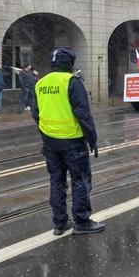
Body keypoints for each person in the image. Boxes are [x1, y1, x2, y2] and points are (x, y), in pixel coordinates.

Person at [32, 47, 105, 236]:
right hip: (73, 142)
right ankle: (81, 221)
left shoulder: (41, 83)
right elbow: (83, 114)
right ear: (69, 64)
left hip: (50, 143)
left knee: (57, 181)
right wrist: (92, 140)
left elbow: (36, 113)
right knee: (80, 180)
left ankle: (59, 223)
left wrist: (47, 134)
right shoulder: (72, 82)